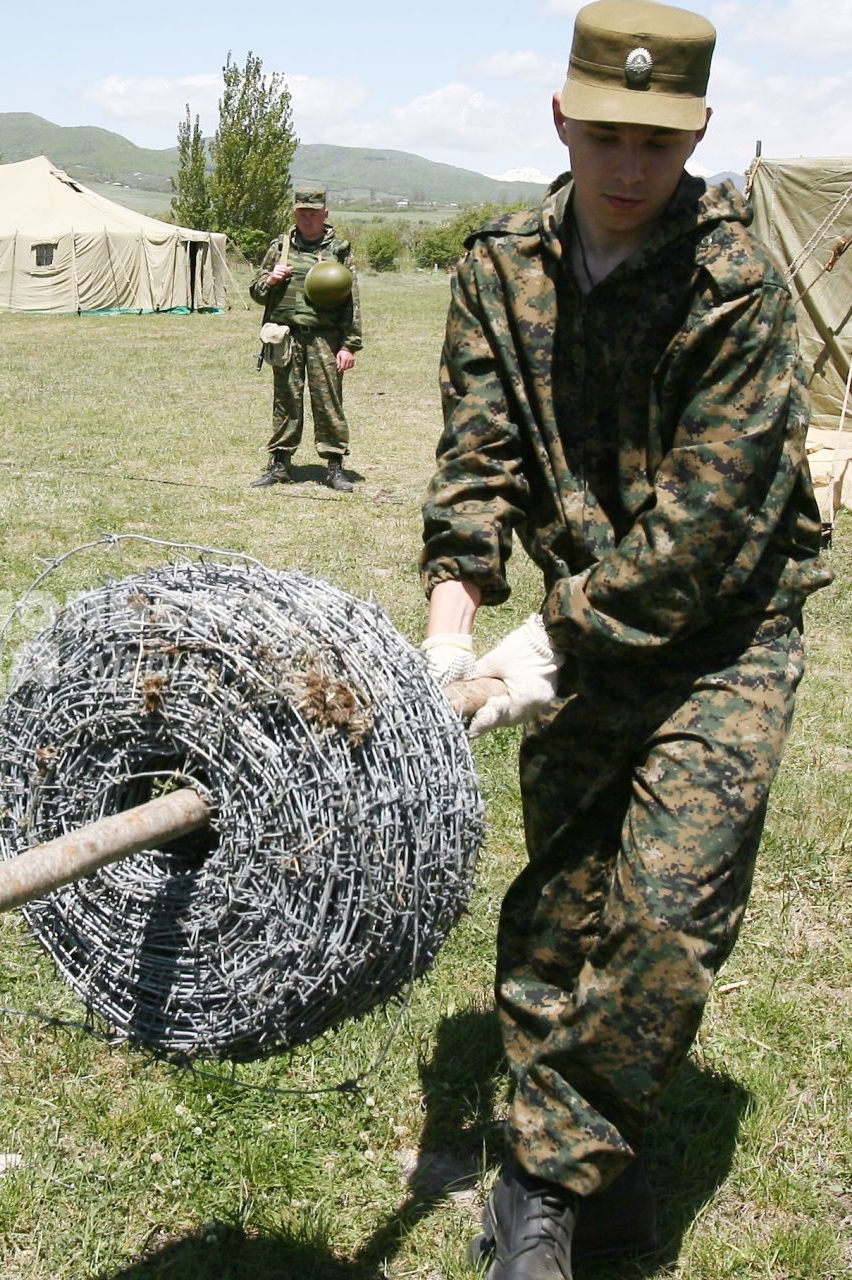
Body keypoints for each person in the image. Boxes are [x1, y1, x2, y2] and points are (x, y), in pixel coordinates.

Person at [417, 2, 831, 1276]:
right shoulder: (499, 267)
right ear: (561, 120)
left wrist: (536, 652)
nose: (628, 167)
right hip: (575, 624)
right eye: (604, 136)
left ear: (696, 132)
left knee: (665, 920)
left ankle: (542, 1180)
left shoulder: (737, 280)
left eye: (656, 142)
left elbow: (702, 534)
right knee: (560, 915)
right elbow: (475, 462)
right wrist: (448, 628)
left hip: (720, 637)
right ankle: (595, 1166)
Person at [248, 185, 363, 493]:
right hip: (286, 339)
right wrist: (270, 279)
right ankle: (280, 464)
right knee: (285, 401)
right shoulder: (280, 247)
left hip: (324, 339)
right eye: (302, 213)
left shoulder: (338, 250)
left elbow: (352, 300)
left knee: (328, 402)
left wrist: (349, 345)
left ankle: (335, 465)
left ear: (325, 214)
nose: (308, 219)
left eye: (314, 213)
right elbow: (257, 292)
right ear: (295, 213)